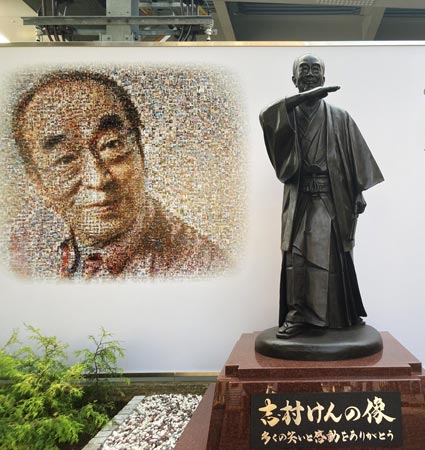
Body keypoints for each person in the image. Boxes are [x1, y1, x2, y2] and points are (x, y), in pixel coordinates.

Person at [10, 70, 224, 278]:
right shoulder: (23, 250)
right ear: (38, 183)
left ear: (139, 149)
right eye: (65, 159)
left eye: (111, 145)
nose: (98, 179)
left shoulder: (200, 268)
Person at [260, 54, 384, 339]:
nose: (311, 74)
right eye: (304, 69)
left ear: (324, 78)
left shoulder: (339, 118)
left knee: (327, 257)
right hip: (299, 196)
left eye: (316, 70)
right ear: (294, 79)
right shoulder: (285, 114)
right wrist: (301, 99)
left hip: (331, 198)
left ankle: (333, 317)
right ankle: (297, 316)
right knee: (297, 257)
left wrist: (358, 193)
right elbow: (266, 117)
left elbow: (355, 160)